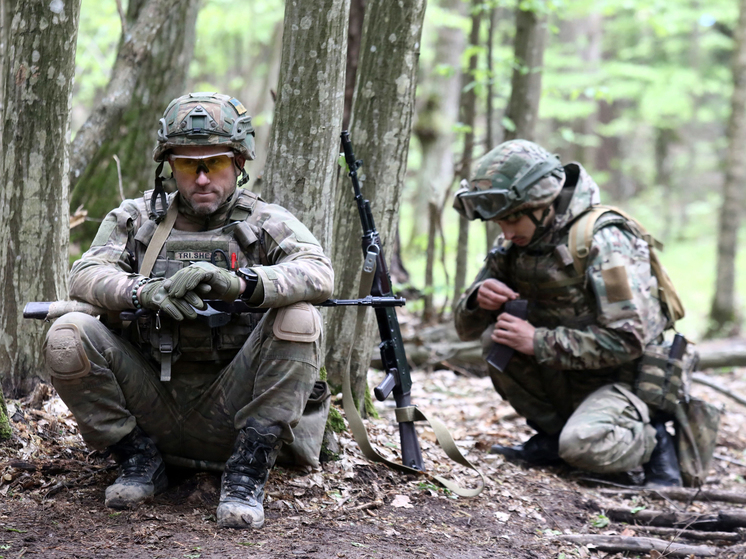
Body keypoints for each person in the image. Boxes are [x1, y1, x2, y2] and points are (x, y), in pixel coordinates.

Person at [43, 92, 334, 528]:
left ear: (238, 163)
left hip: (234, 404)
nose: (201, 179)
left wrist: (243, 284)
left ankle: (248, 470)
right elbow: (86, 273)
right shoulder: (135, 219)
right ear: (169, 167)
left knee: (300, 318)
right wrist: (143, 291)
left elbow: (318, 272)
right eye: (187, 165)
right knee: (67, 334)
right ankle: (137, 459)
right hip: (150, 401)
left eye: (214, 164)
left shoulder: (264, 222)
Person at [452, 139, 683, 486]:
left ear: (542, 204)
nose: (506, 231)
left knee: (581, 448)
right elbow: (464, 330)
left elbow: (629, 339)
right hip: (565, 375)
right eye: (499, 222)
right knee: (495, 339)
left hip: (622, 384)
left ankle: (653, 440)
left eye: (513, 219)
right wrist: (477, 300)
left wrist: (538, 341)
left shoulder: (602, 239)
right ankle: (553, 436)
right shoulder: (514, 243)